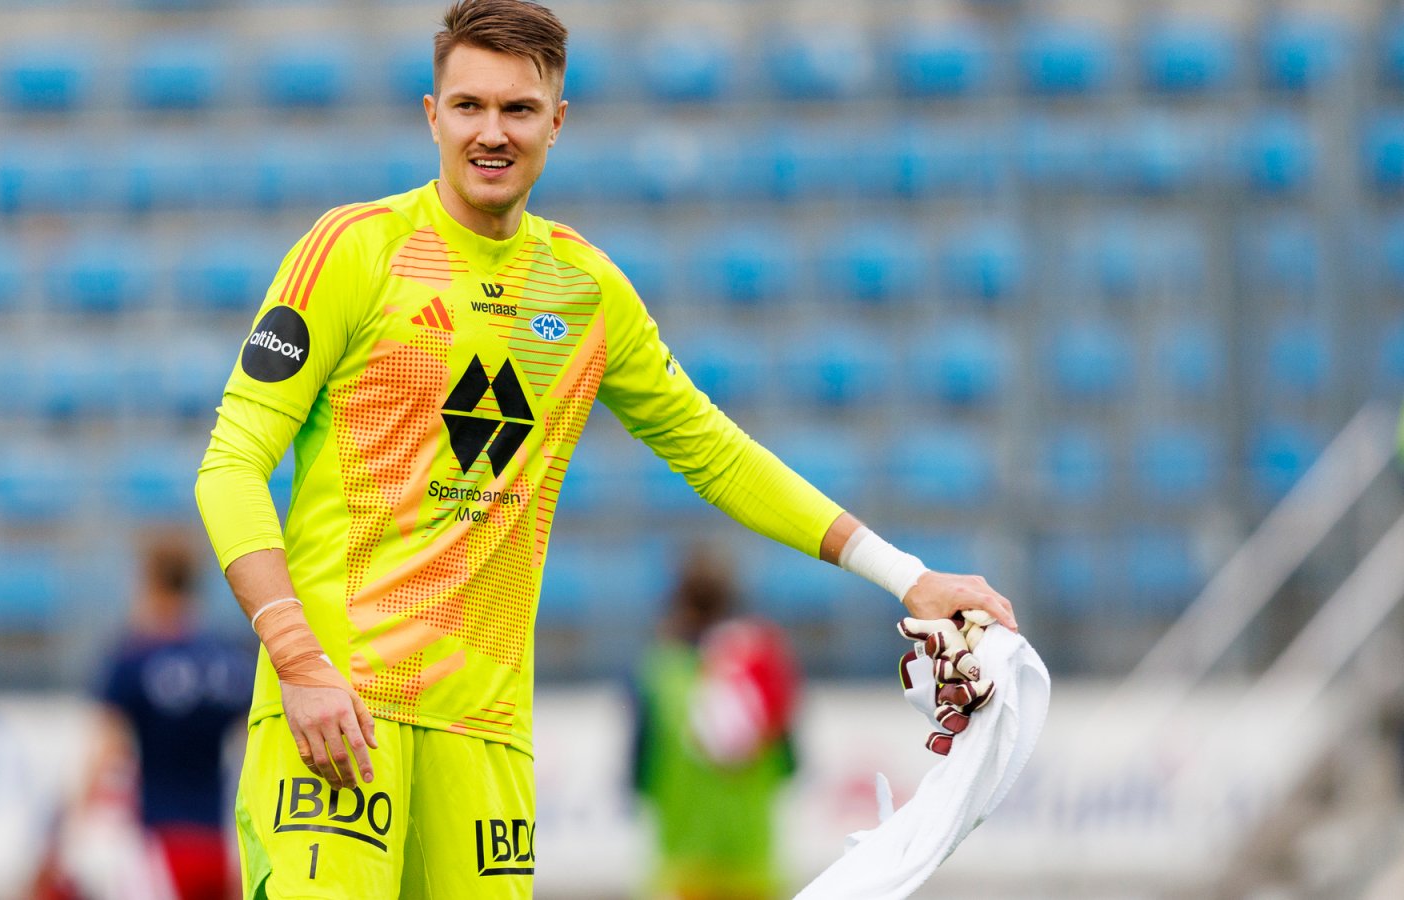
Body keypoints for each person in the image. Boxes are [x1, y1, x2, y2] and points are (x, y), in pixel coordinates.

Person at [193, 1, 1017, 895]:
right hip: (338, 708)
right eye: (468, 107)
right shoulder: (352, 252)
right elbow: (230, 466)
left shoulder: (586, 290)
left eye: (518, 109)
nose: (492, 133)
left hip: (485, 731)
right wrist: (299, 663)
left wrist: (907, 576)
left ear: (558, 123)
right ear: (431, 116)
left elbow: (717, 452)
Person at [61, 530, 255, 900]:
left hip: (159, 842)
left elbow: (108, 751)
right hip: (219, 844)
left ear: (149, 583)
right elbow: (255, 748)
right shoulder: (229, 658)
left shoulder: (133, 658)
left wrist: (71, 831)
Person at [632, 547, 801, 900]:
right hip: (752, 862)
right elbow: (790, 765)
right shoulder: (764, 666)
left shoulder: (658, 672)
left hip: (682, 864)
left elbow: (638, 775)